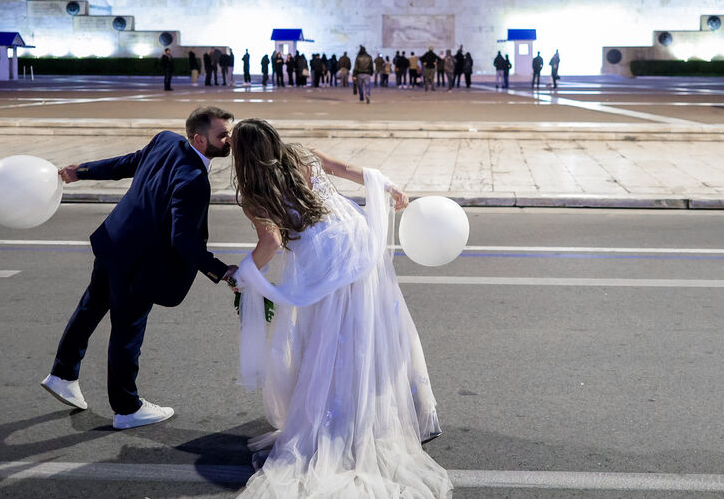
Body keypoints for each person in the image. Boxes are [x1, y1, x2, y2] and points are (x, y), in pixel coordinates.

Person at [227, 119, 450, 496]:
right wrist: (389, 186)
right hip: (360, 242)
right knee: (375, 326)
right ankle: (392, 406)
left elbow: (271, 241)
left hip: (325, 263)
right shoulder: (301, 153)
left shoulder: (254, 192)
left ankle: (341, 418)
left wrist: (245, 272)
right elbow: (348, 170)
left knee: (332, 339)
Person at [42, 107, 237, 429]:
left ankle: (62, 374)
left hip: (113, 242)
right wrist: (221, 271)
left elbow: (126, 163)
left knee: (90, 308)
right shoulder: (194, 180)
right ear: (200, 139)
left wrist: (83, 172)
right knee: (127, 331)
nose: (230, 140)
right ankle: (127, 407)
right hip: (140, 264)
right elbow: (184, 240)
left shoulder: (165, 141)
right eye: (223, 135)